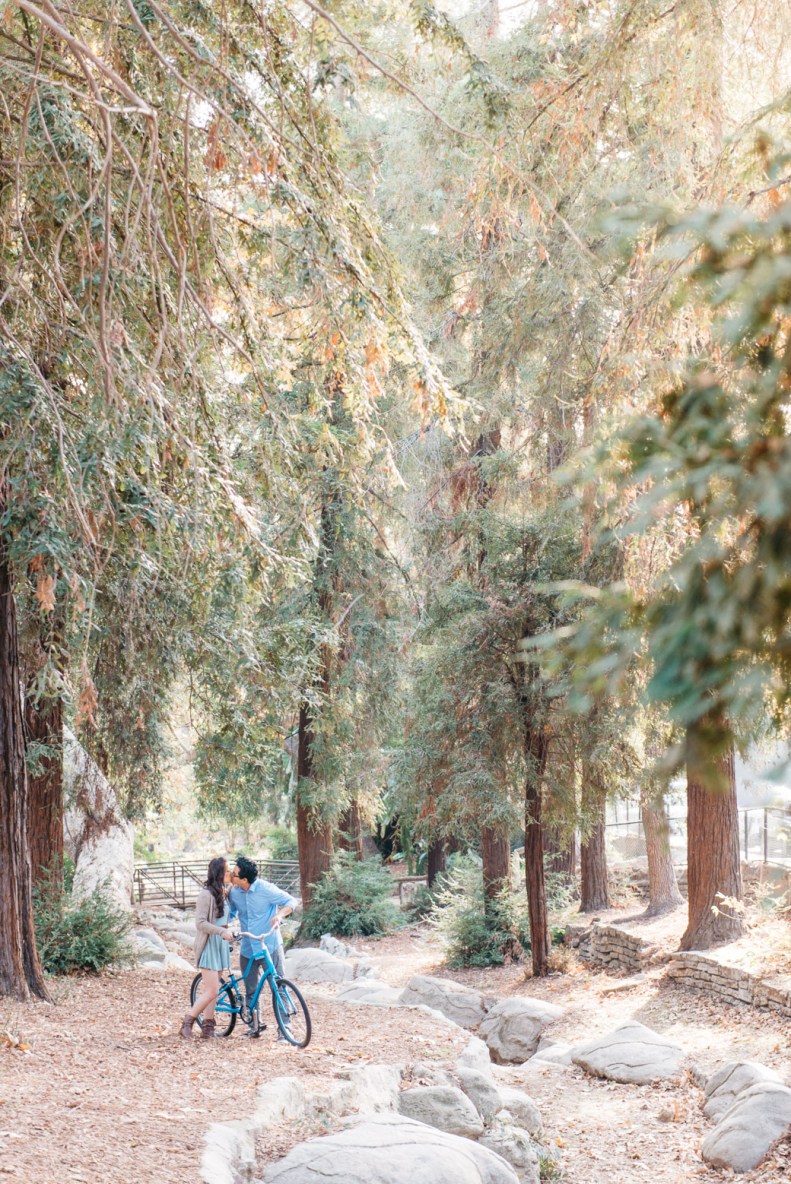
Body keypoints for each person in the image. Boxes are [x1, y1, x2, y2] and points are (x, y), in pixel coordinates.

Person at [229, 855, 299, 1038]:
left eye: (234, 874)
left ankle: (285, 1031)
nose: (231, 875)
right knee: (250, 989)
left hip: (269, 946)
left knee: (278, 986)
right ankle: (254, 1027)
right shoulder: (234, 892)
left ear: (244, 879)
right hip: (247, 949)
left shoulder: (266, 889)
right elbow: (231, 914)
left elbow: (292, 902)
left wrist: (280, 916)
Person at [179, 856, 233, 1040]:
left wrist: (228, 930)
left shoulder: (224, 892)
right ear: (219, 873)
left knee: (213, 989)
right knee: (212, 990)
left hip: (221, 944)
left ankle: (208, 1028)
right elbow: (200, 923)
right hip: (210, 944)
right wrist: (220, 931)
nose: (230, 873)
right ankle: (187, 1023)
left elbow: (224, 919)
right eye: (227, 870)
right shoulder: (206, 894)